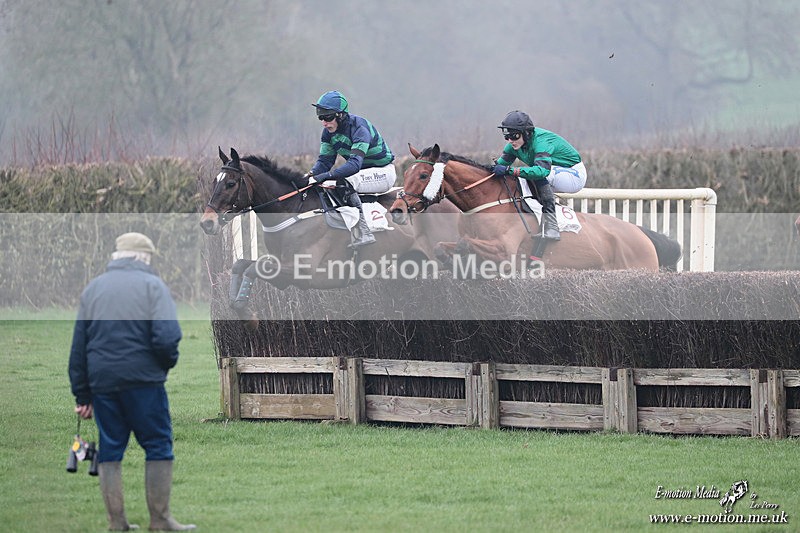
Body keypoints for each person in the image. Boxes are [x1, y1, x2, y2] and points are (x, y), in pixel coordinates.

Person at [68, 232, 195, 531]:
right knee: (158, 445)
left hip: (103, 383)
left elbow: (79, 347)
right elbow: (167, 337)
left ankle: (117, 522)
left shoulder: (93, 289)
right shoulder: (153, 285)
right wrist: (164, 365)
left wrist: (82, 396)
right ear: (143, 257)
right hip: (144, 382)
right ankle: (160, 520)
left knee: (110, 448)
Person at [303, 90, 396, 247]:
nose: (324, 122)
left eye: (328, 117)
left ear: (340, 115)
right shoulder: (327, 133)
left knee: (344, 182)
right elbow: (324, 162)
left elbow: (354, 164)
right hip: (362, 174)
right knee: (325, 185)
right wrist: (310, 175)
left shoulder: (360, 128)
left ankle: (364, 232)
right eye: (321, 118)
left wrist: (326, 175)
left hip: (383, 173)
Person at [491, 110, 587, 241]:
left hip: (574, 175)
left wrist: (510, 170)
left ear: (526, 133)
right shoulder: (513, 146)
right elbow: (497, 169)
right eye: (507, 137)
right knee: (523, 179)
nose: (510, 141)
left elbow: (542, 171)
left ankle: (552, 226)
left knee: (536, 174)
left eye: (514, 136)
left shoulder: (541, 142)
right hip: (555, 172)